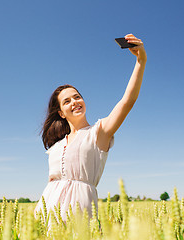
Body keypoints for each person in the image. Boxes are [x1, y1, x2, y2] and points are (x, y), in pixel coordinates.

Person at [34, 34, 147, 222]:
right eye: (67, 101)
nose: (75, 102)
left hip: (81, 212)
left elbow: (128, 101)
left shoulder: (99, 132)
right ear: (61, 112)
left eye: (77, 97)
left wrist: (140, 61)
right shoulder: (56, 146)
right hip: (47, 214)